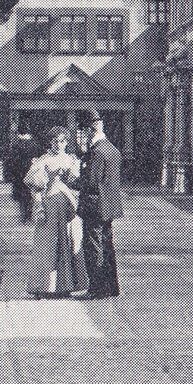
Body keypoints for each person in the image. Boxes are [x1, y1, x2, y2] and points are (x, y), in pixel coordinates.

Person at [24, 126, 89, 297]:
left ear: (66, 142)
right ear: (50, 142)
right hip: (50, 205)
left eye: (62, 141)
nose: (59, 144)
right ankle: (46, 287)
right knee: (48, 243)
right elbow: (36, 188)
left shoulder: (71, 160)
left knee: (67, 242)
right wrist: (39, 207)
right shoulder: (43, 161)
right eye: (55, 141)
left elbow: (77, 184)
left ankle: (66, 285)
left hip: (67, 205)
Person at [75, 109, 123, 299]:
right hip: (109, 205)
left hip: (95, 205)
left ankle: (96, 288)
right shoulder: (111, 148)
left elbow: (91, 181)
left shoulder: (96, 152)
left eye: (83, 132)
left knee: (93, 245)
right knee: (107, 245)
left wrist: (70, 180)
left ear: (89, 130)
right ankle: (111, 286)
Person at [4, 124, 41, 224]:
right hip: (32, 173)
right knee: (30, 195)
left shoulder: (16, 145)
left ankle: (24, 216)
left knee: (21, 196)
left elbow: (10, 161)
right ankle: (29, 216)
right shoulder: (35, 144)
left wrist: (10, 174)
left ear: (20, 134)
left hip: (19, 174)